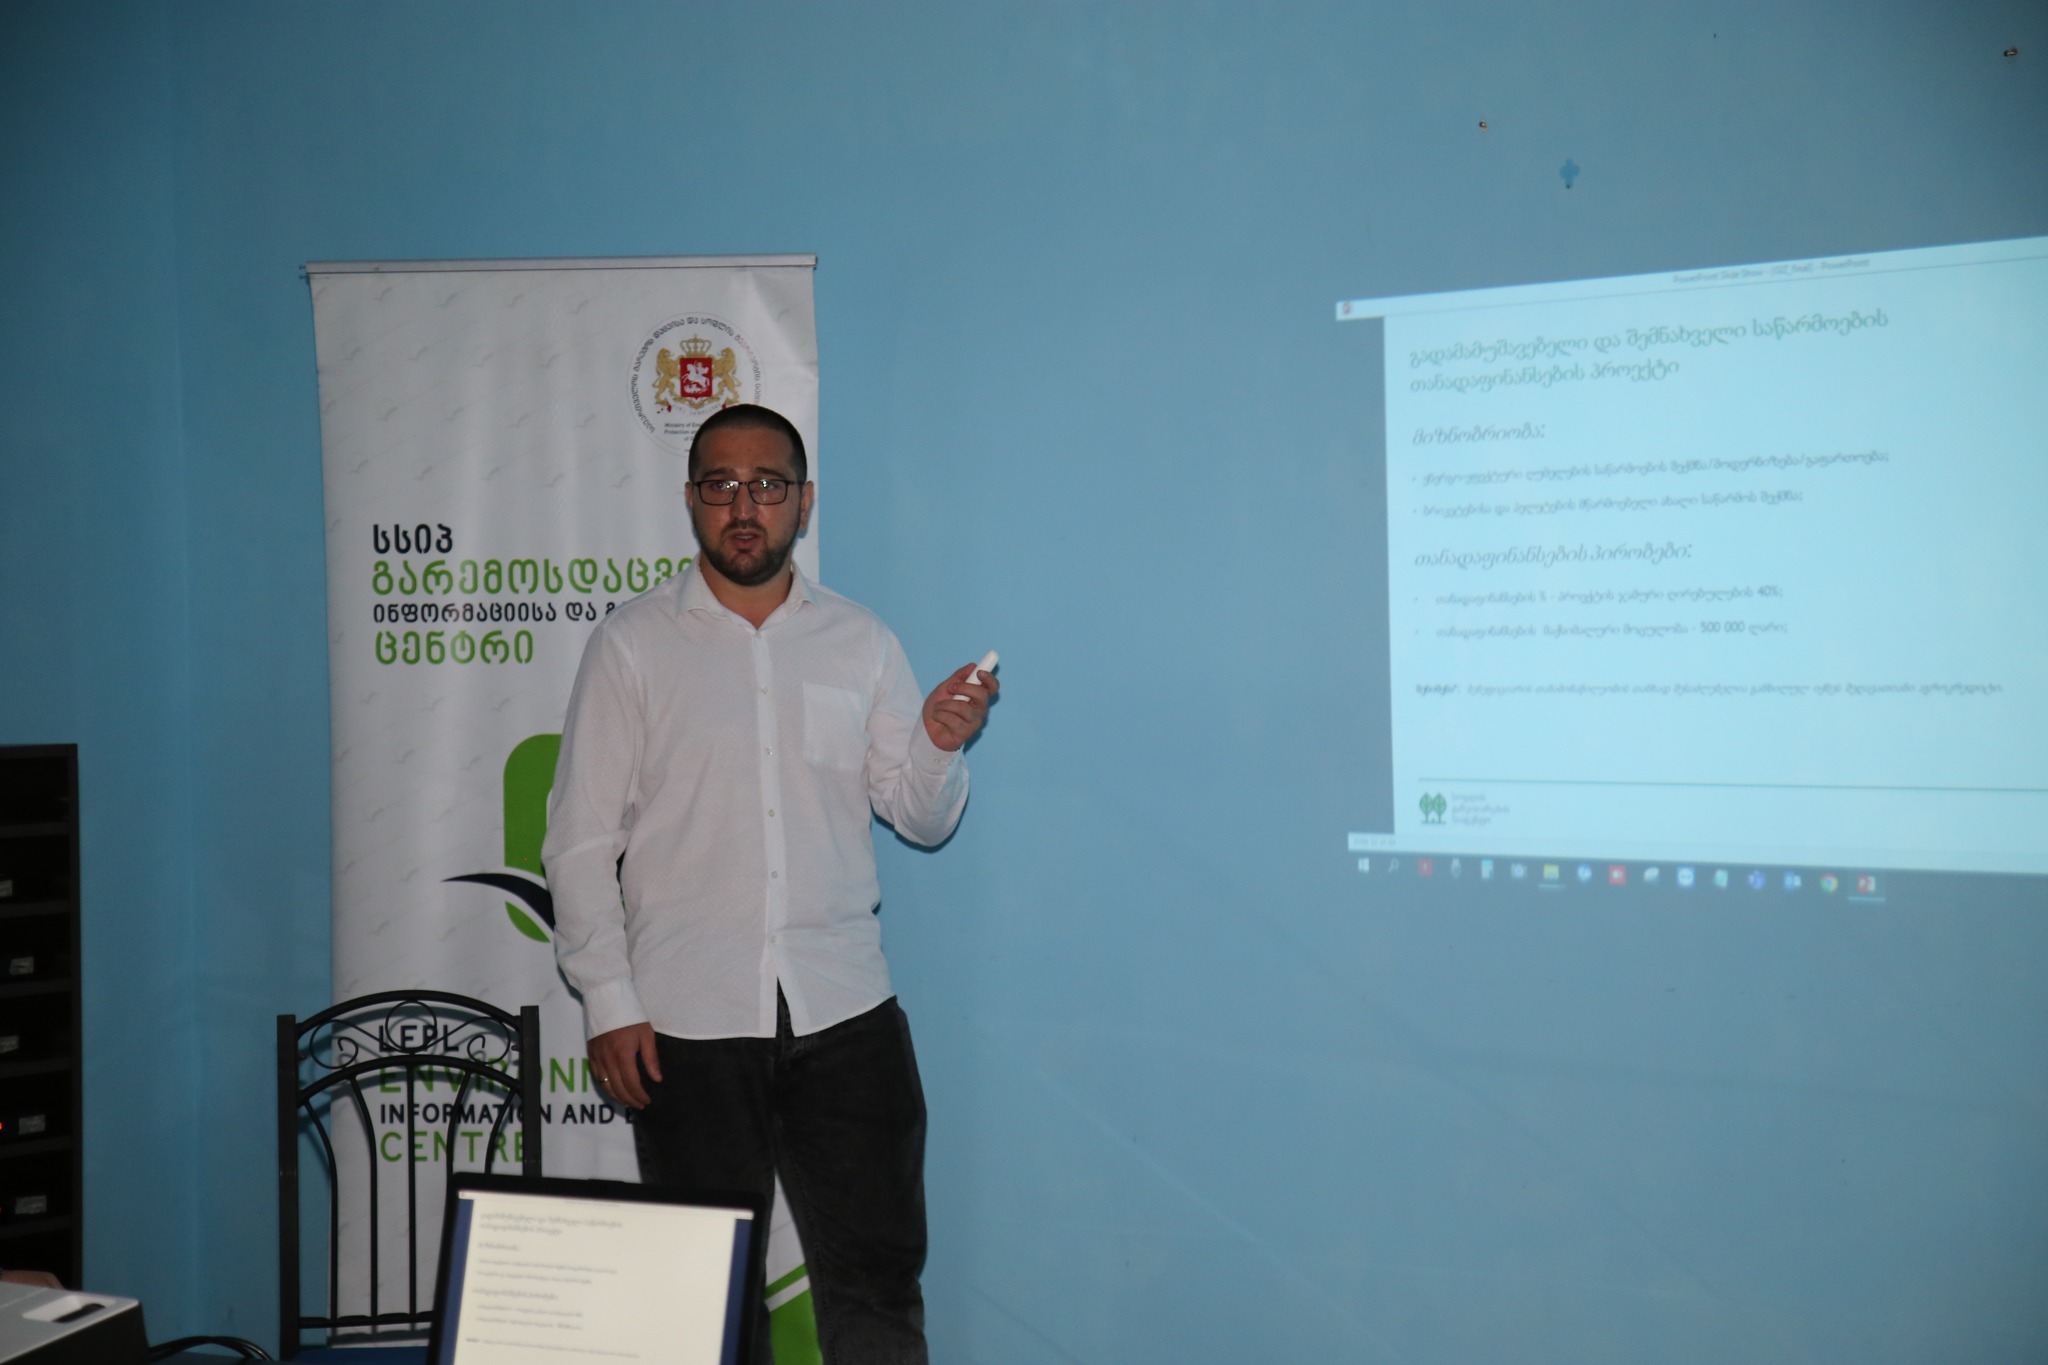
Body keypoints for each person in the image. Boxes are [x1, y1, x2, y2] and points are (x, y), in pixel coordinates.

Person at [543, 403, 994, 1363]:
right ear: (692, 500)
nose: (744, 506)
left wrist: (937, 745)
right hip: (685, 1026)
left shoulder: (860, 641)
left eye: (767, 485)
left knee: (878, 1288)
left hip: (847, 1015)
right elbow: (579, 841)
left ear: (804, 501)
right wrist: (609, 999)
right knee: (702, 1304)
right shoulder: (633, 644)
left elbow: (919, 815)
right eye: (722, 485)